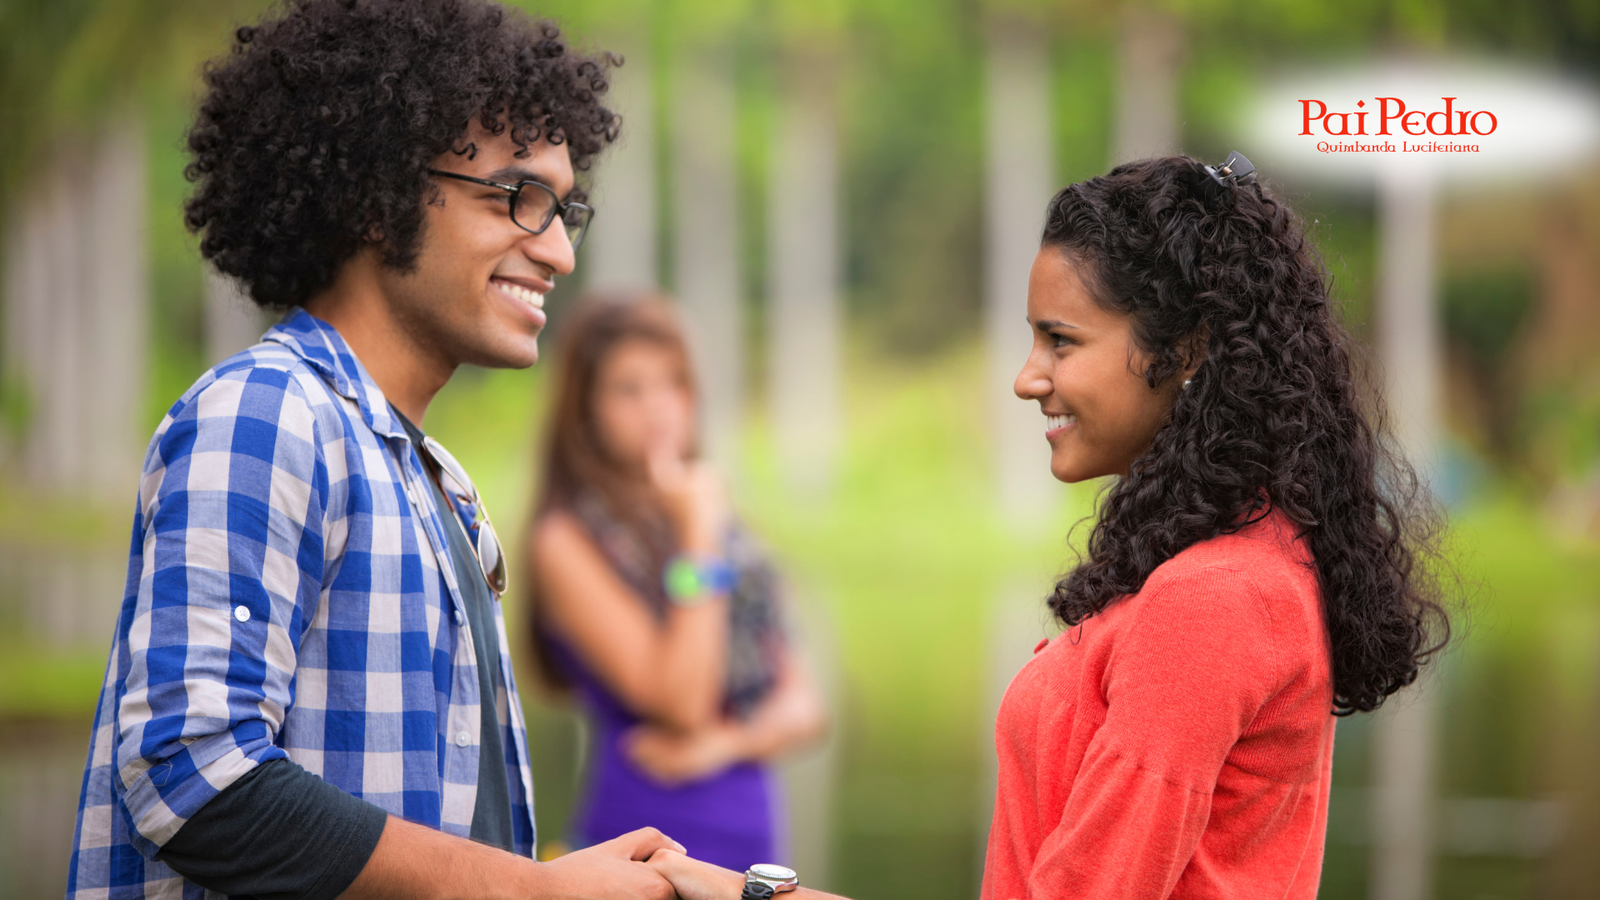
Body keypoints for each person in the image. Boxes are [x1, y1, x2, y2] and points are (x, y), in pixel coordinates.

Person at [643, 153, 1451, 899]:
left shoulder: (1216, 598)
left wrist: (757, 895)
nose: (1029, 379)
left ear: (1188, 352)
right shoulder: (1241, 563)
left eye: (1060, 341)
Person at [64, 2, 683, 898]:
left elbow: (438, 840)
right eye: (520, 197)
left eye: (565, 211)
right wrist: (537, 892)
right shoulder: (267, 414)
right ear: (374, 197)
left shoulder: (438, 484)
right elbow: (196, 778)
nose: (558, 253)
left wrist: (562, 879)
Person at [527, 295, 827, 870]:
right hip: (644, 848)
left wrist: (725, 745)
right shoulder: (567, 540)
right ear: (585, 410)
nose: (658, 408)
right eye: (629, 389)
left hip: (750, 848)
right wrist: (696, 533)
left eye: (673, 384)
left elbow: (805, 706)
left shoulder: (719, 528)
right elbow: (683, 702)